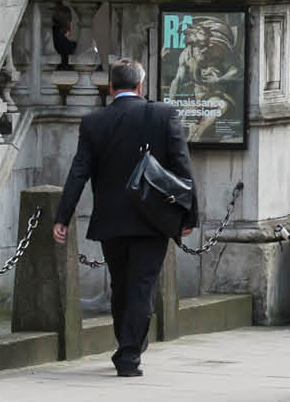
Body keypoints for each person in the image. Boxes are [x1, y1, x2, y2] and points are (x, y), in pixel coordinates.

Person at [53, 58, 194, 379]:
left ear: (111, 87)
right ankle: (129, 354)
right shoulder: (163, 115)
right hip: (153, 219)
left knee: (121, 285)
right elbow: (183, 169)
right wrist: (189, 216)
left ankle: (128, 342)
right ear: (141, 86)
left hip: (112, 220)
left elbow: (79, 172)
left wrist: (63, 216)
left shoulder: (94, 122)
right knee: (141, 285)